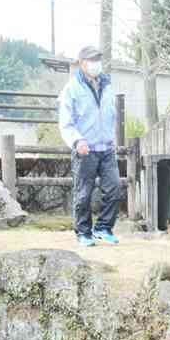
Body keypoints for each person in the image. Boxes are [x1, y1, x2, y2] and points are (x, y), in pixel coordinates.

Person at [58, 46, 120, 247]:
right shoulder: (72, 88)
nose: (97, 64)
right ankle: (83, 233)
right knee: (83, 193)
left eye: (98, 59)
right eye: (93, 60)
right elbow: (66, 121)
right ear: (83, 63)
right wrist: (77, 140)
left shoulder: (107, 84)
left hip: (107, 148)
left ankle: (103, 228)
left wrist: (112, 138)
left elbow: (111, 115)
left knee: (114, 189)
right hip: (85, 150)